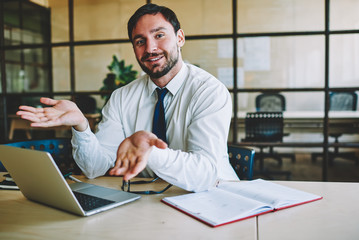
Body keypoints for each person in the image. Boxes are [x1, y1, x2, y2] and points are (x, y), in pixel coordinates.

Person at [16, 3, 238, 192]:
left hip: (213, 197)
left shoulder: (208, 91)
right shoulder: (122, 97)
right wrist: (81, 126)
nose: (150, 48)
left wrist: (149, 150)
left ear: (180, 38)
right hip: (151, 198)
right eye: (140, 41)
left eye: (159, 35)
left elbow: (204, 174)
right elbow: (95, 168)